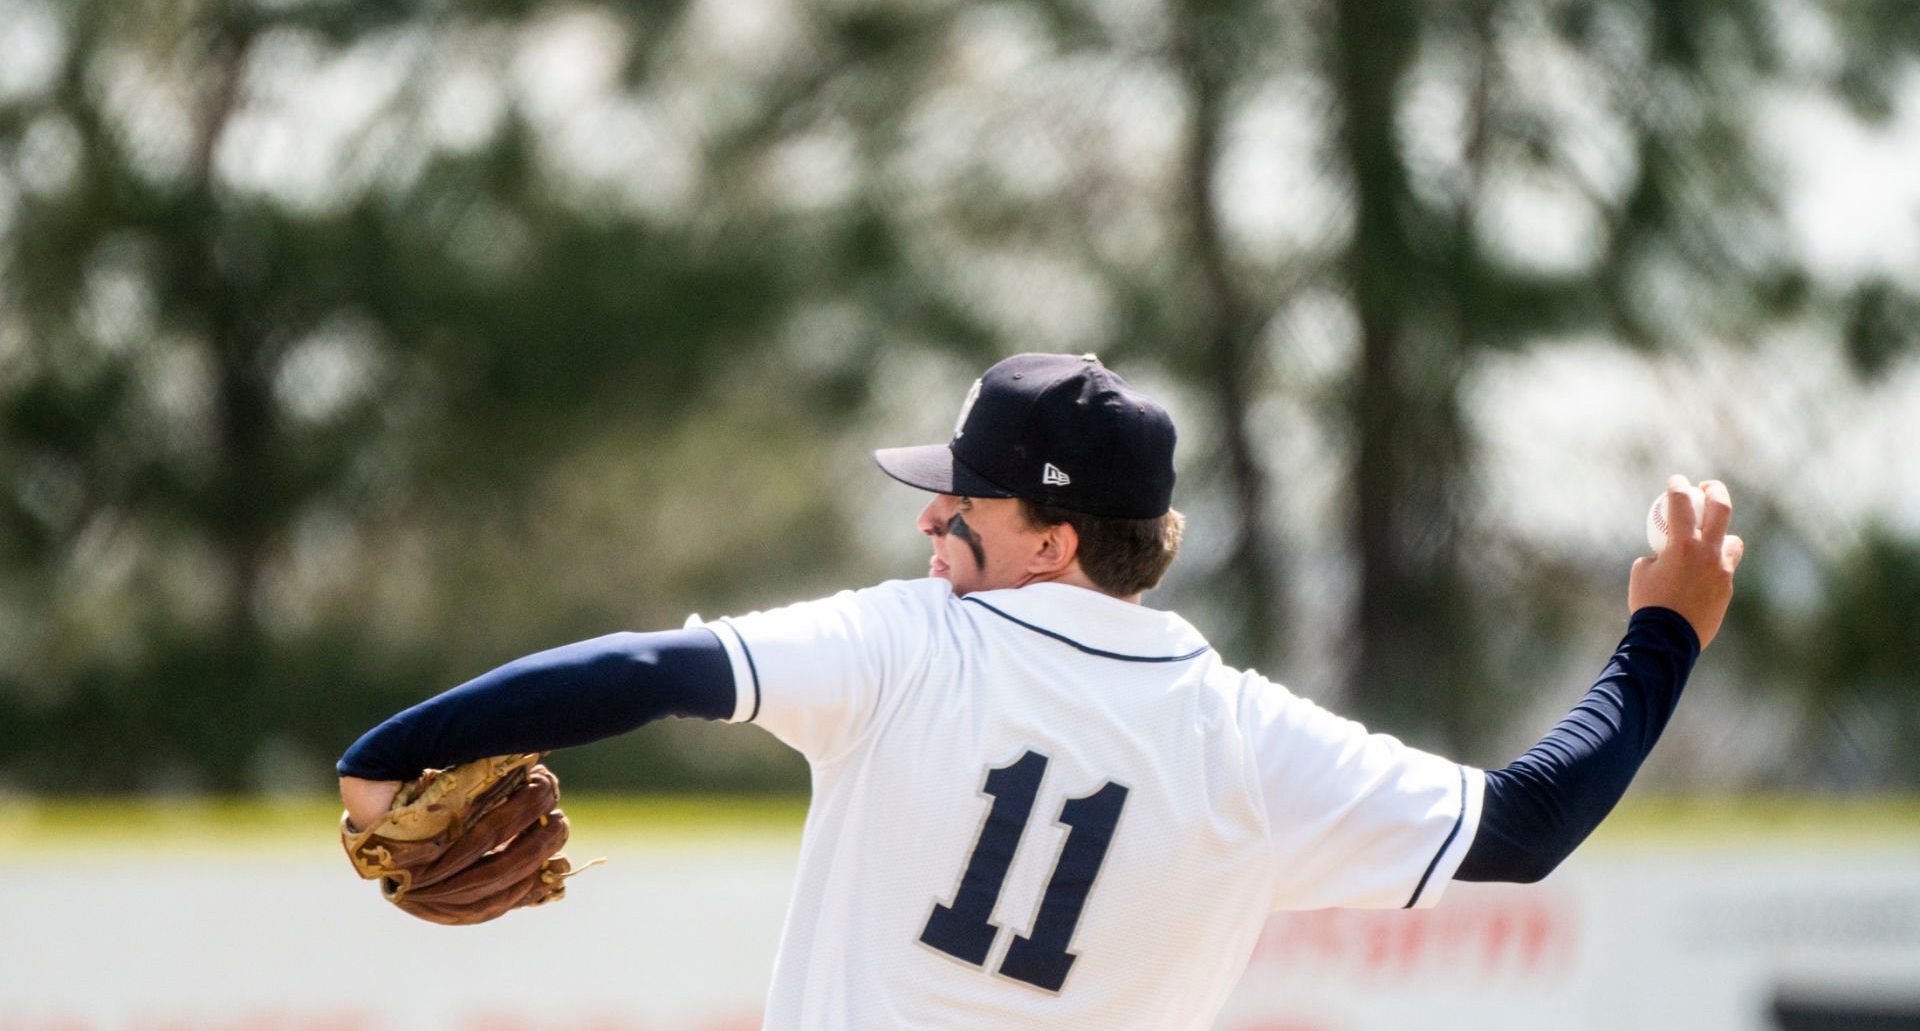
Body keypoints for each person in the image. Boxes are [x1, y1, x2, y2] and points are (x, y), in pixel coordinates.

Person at [338, 352, 1743, 1029]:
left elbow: (644, 671)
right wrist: (1662, 634)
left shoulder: (909, 647)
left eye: (964, 505)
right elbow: (1527, 825)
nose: (930, 526)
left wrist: (390, 752)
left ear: (1055, 540)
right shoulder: (1247, 743)